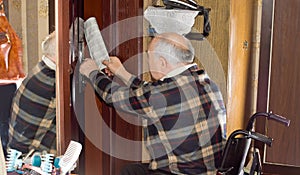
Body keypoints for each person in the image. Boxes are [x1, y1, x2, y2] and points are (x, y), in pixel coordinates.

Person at [80, 32, 227, 175]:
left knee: (131, 171)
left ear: (162, 62)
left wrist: (92, 72)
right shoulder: (206, 82)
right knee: (131, 170)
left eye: (149, 57)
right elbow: (152, 93)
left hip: (179, 171)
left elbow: (112, 96)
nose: (148, 62)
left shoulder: (162, 94)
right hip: (209, 170)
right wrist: (121, 72)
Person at [7, 31, 57, 155]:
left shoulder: (40, 69)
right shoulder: (51, 82)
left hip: (17, 153)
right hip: (29, 160)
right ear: (60, 53)